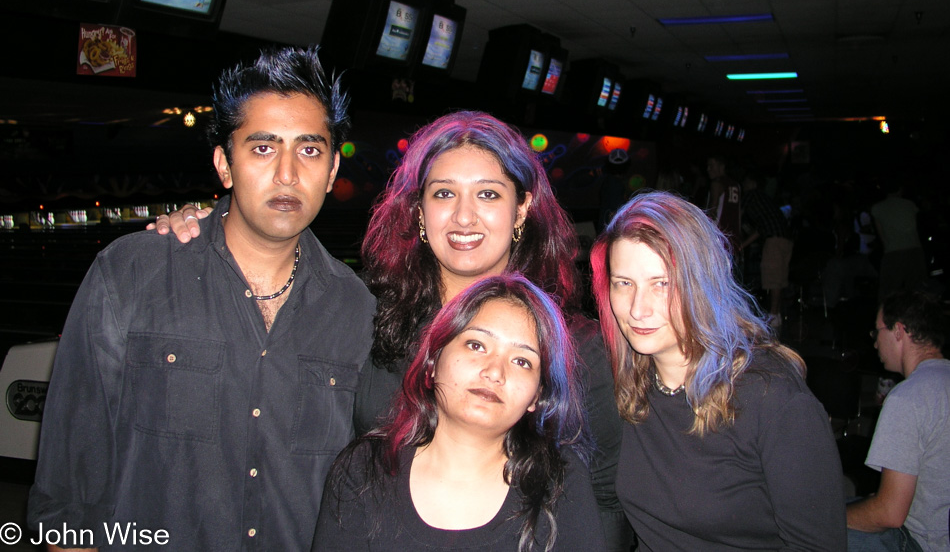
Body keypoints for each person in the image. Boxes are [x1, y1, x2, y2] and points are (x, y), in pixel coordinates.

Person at [157, 111, 631, 549]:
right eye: (444, 193)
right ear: (419, 211)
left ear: (522, 208)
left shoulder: (575, 345)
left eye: (488, 194)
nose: (464, 217)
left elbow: (607, 497)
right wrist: (216, 225)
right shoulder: (367, 312)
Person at [28, 46, 376, 552]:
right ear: (224, 164)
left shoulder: (356, 309)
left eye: (308, 149)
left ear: (330, 169)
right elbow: (67, 497)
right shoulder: (130, 274)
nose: (287, 173)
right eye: (262, 148)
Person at [590, 190, 846, 551]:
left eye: (661, 284)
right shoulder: (626, 382)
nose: (638, 309)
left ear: (701, 282)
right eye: (623, 284)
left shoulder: (770, 397)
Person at [312, 274, 606, 551]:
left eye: (522, 361)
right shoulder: (363, 470)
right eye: (476, 345)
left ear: (537, 395)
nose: (494, 372)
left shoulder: (560, 482)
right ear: (433, 360)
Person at [847, 290, 950, 552]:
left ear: (898, 331)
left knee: (810, 532)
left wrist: (827, 520)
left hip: (924, 543)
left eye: (876, 332)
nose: (874, 343)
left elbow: (890, 514)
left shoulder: (908, 397)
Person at [740, 170, 793, 329]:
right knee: (780, 277)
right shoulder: (764, 199)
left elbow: (738, 216)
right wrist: (743, 245)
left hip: (774, 239)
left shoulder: (751, 196)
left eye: (746, 181)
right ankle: (775, 314)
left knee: (773, 277)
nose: (744, 185)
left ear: (752, 183)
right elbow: (761, 229)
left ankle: (773, 316)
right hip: (786, 237)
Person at [871, 178, 927, 301]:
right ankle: (916, 319)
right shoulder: (910, 205)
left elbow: (881, 234)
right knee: (916, 292)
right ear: (900, 189)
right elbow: (916, 227)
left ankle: (887, 319)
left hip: (893, 252)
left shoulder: (877, 208)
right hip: (915, 250)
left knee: (888, 293)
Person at [706, 154, 742, 256]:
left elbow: (712, 210)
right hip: (733, 237)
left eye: (711, 165)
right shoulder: (736, 185)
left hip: (718, 236)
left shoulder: (716, 184)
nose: (708, 169)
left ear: (721, 166)